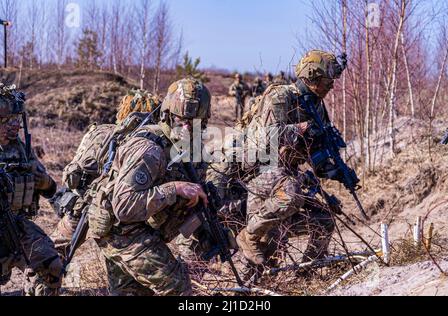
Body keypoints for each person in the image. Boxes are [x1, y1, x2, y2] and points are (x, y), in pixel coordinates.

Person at [87, 78, 215, 296]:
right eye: (179, 118)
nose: (185, 126)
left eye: (192, 121)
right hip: (122, 231)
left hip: (138, 228)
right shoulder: (149, 149)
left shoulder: (189, 148)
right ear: (166, 114)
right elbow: (125, 207)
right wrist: (175, 189)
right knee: (177, 287)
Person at [236, 50, 348, 270]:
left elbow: (312, 148)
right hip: (261, 170)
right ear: (312, 76)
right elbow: (269, 135)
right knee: (262, 250)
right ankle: (248, 234)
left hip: (286, 174)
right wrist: (303, 127)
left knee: (324, 220)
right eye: (328, 81)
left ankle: (306, 272)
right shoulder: (281, 96)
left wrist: (333, 169)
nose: (331, 86)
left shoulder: (315, 105)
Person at [50, 89, 161, 257]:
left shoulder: (100, 130)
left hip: (78, 204)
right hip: (107, 213)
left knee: (52, 255)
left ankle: (39, 279)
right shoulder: (138, 141)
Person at [0, 83, 62, 296]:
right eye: (7, 121)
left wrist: (43, 180)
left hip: (16, 225)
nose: (14, 125)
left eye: (17, 119)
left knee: (51, 267)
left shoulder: (19, 147)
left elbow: (50, 189)